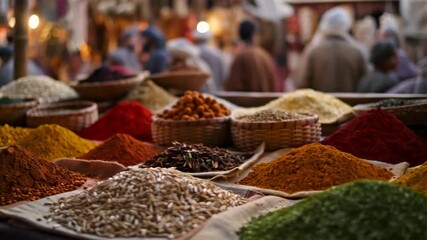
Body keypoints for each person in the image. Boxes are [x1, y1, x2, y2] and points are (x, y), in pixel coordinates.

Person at [295, 7, 368, 92]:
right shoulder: (358, 51)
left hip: (321, 104)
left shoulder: (313, 51)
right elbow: (366, 82)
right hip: (351, 104)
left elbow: (302, 83)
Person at [225, 20, 277, 92]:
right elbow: (272, 85)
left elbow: (233, 87)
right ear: (254, 35)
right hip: (265, 102)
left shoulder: (239, 57)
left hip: (243, 103)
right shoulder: (265, 56)